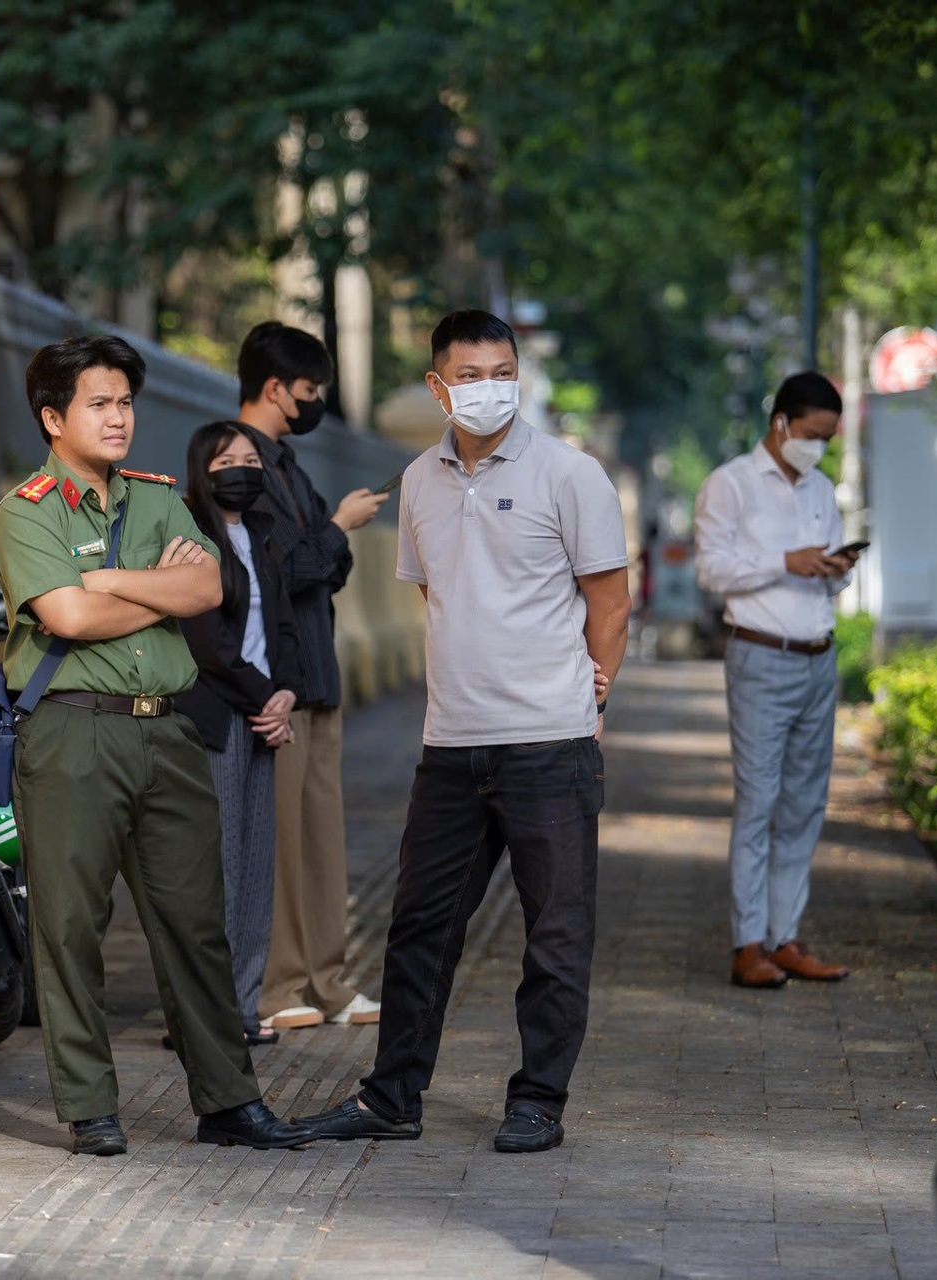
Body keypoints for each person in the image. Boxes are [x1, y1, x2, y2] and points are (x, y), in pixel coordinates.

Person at [295, 310, 632, 1155]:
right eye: (471, 375)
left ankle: (539, 1100)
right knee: (419, 928)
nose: (490, 387)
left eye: (502, 370)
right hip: (449, 747)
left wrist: (590, 701)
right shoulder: (419, 482)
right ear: (438, 386)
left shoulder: (571, 474)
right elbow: (434, 595)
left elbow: (611, 603)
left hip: (551, 745)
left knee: (555, 933)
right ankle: (391, 1097)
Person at [0, 334, 313, 1157]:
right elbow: (65, 618)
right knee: (69, 929)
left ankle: (229, 1101)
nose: (119, 417)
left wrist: (102, 581)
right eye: (99, 403)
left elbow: (206, 587)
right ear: (53, 417)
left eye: (125, 402)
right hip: (72, 734)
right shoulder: (26, 511)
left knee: (194, 924)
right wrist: (146, 593)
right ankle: (91, 1105)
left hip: (169, 730)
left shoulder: (160, 498)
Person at [234, 321, 386, 1032]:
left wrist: (331, 537)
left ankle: (326, 980)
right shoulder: (234, 463)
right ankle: (276, 987)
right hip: (277, 684)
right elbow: (283, 568)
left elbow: (328, 566)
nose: (315, 400)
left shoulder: (288, 463)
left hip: (316, 675)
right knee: (281, 845)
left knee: (321, 837)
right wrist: (338, 530)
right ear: (274, 388)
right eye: (309, 389)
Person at [692, 371, 858, 990]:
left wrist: (835, 566)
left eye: (828, 440)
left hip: (820, 656)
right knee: (759, 802)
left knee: (805, 804)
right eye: (812, 434)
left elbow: (833, 573)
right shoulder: (728, 485)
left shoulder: (822, 489)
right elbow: (711, 571)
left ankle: (786, 937)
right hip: (760, 657)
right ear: (781, 423)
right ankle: (748, 944)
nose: (818, 448)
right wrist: (783, 562)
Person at [179, 421, 306, 1050]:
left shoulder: (261, 533)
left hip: (263, 716)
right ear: (202, 469)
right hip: (220, 716)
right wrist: (264, 698)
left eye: (250, 458)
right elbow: (207, 641)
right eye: (228, 458)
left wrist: (287, 693)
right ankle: (201, 1015)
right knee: (215, 870)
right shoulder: (187, 535)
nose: (241, 467)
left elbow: (284, 623)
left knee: (257, 867)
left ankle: (244, 1009)